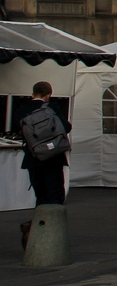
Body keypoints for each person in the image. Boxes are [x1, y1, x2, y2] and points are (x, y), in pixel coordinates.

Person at [18, 80, 70, 250]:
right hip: (53, 158)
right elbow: (66, 127)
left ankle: (35, 233)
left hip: (34, 159)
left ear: (33, 93)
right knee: (55, 197)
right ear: (48, 94)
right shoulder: (52, 107)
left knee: (41, 197)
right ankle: (51, 238)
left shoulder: (22, 109)